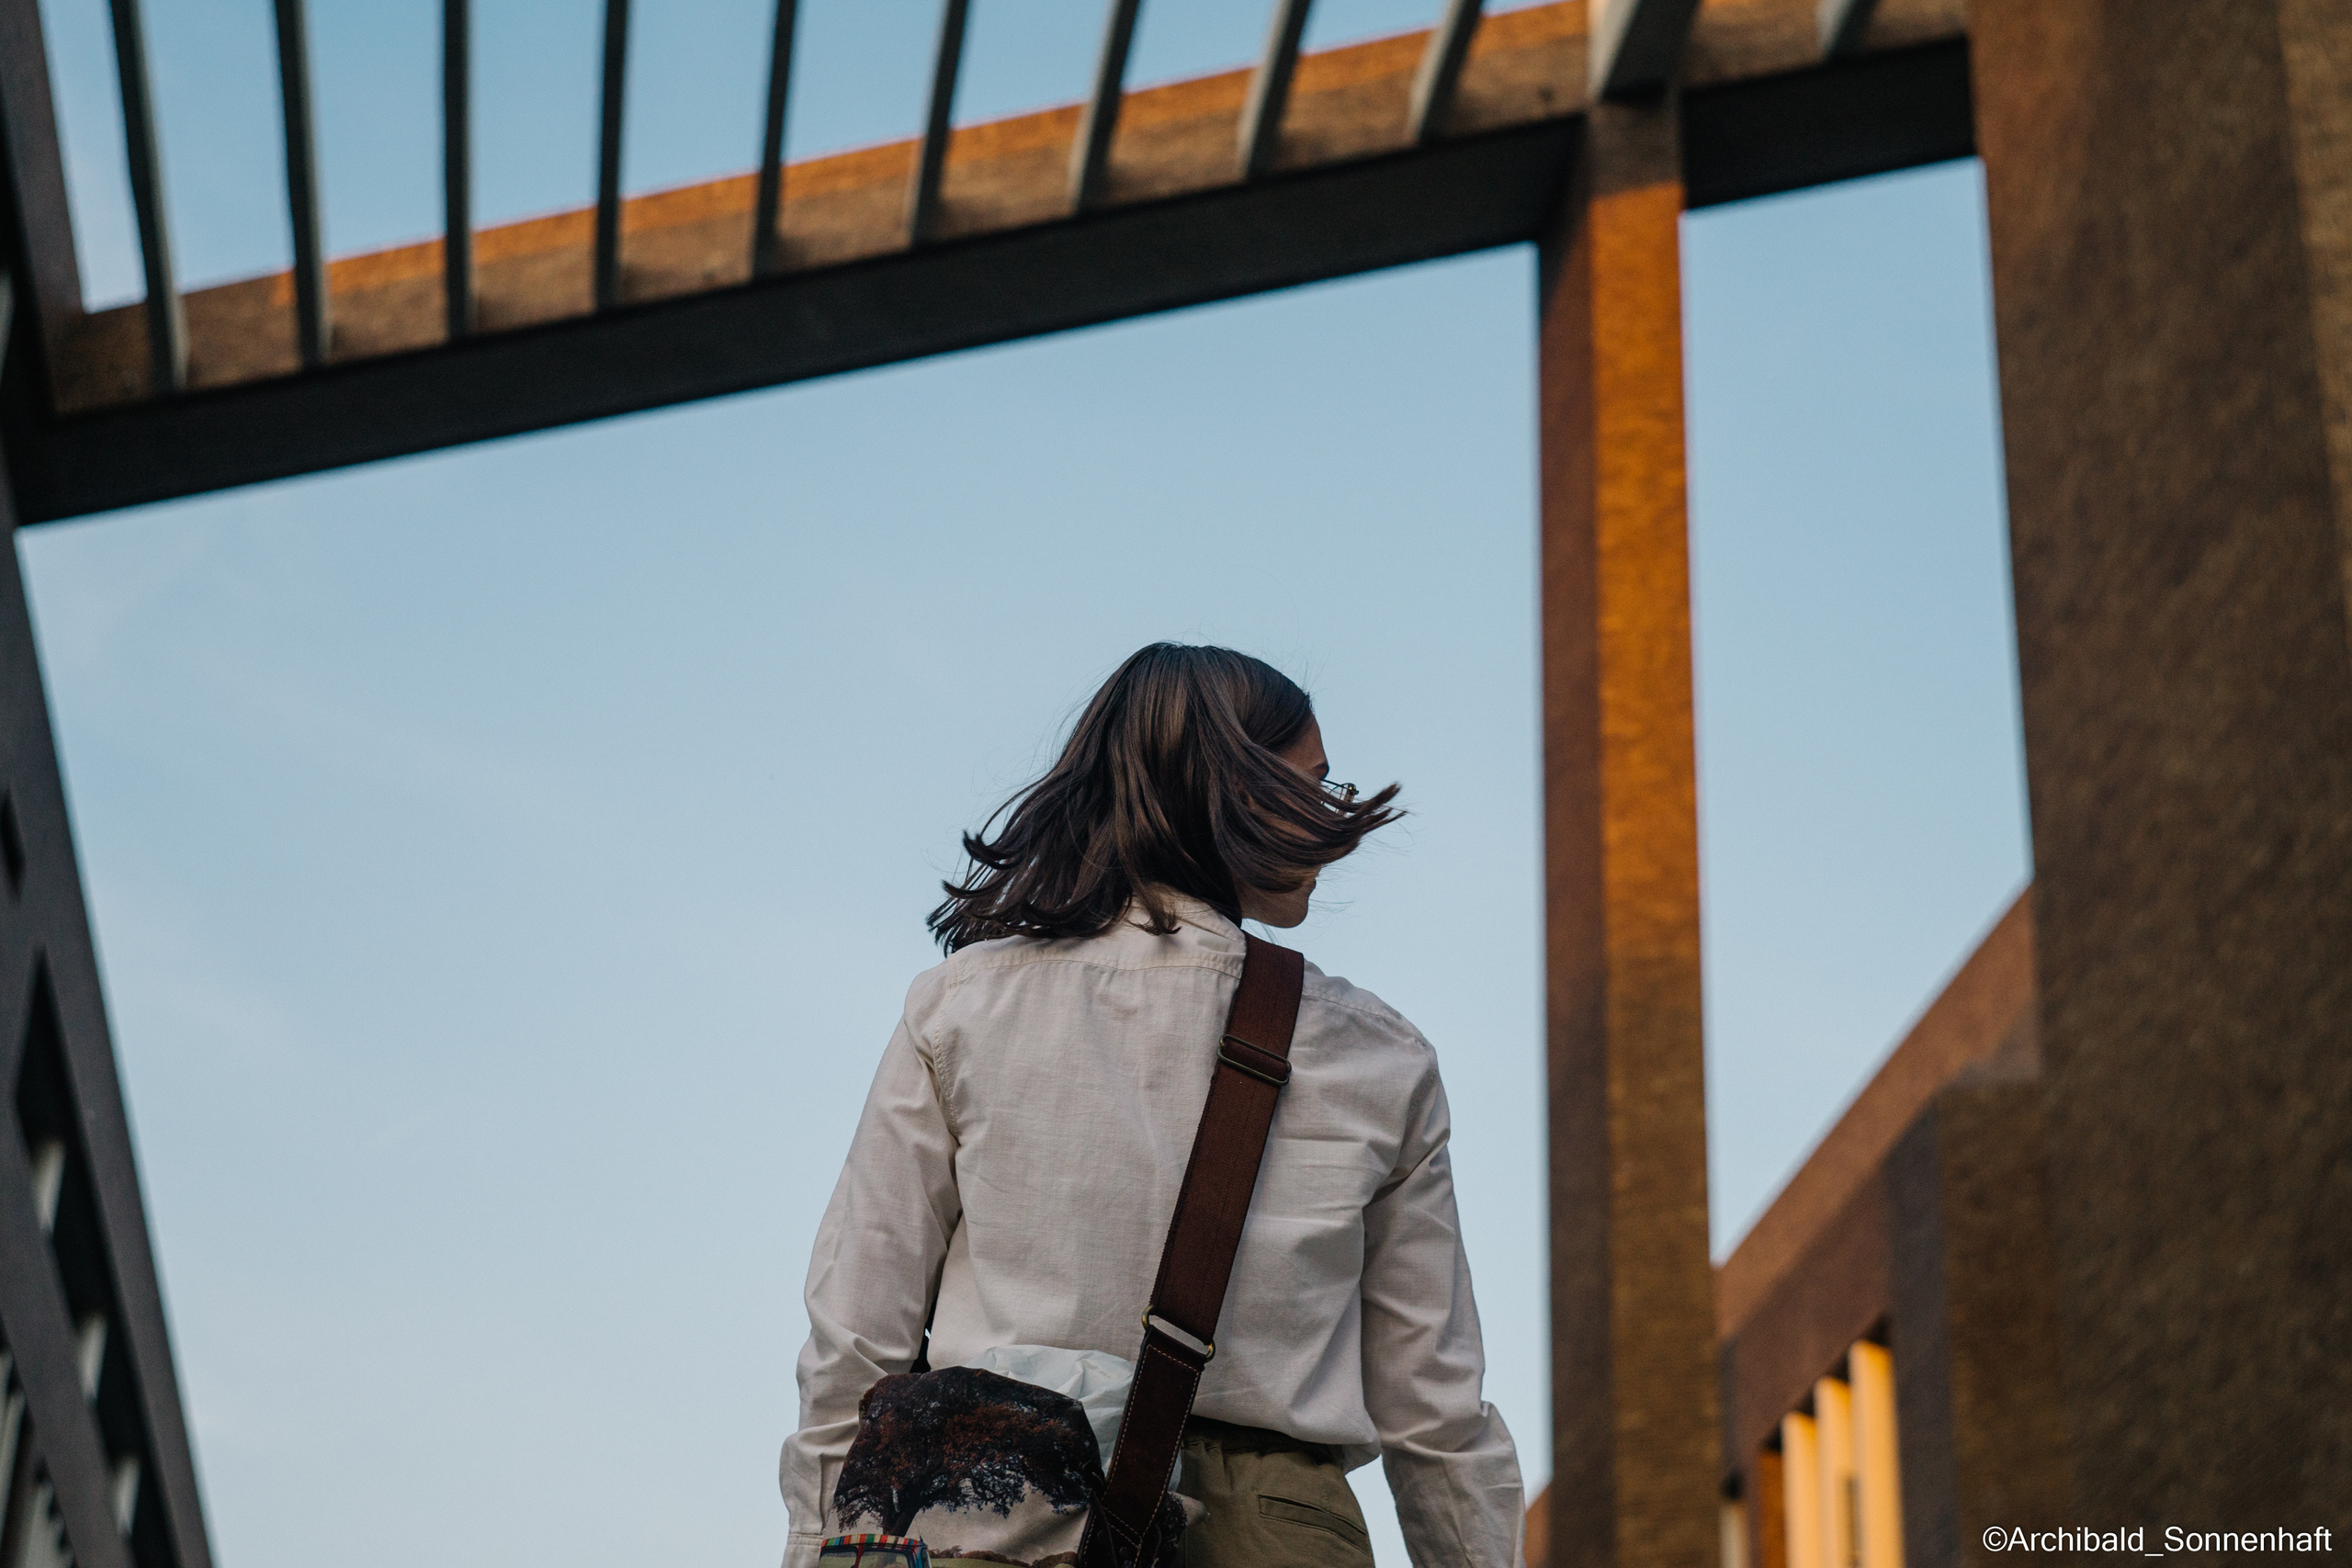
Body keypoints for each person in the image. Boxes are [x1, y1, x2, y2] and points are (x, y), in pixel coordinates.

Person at [782, 644, 1522, 1568]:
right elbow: (1437, 1417)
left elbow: (856, 1338)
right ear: (1228, 789)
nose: (1333, 819)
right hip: (1281, 1534)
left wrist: (820, 1544)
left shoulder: (964, 1007)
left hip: (995, 1513)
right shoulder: (1377, 1052)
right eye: (1310, 785)